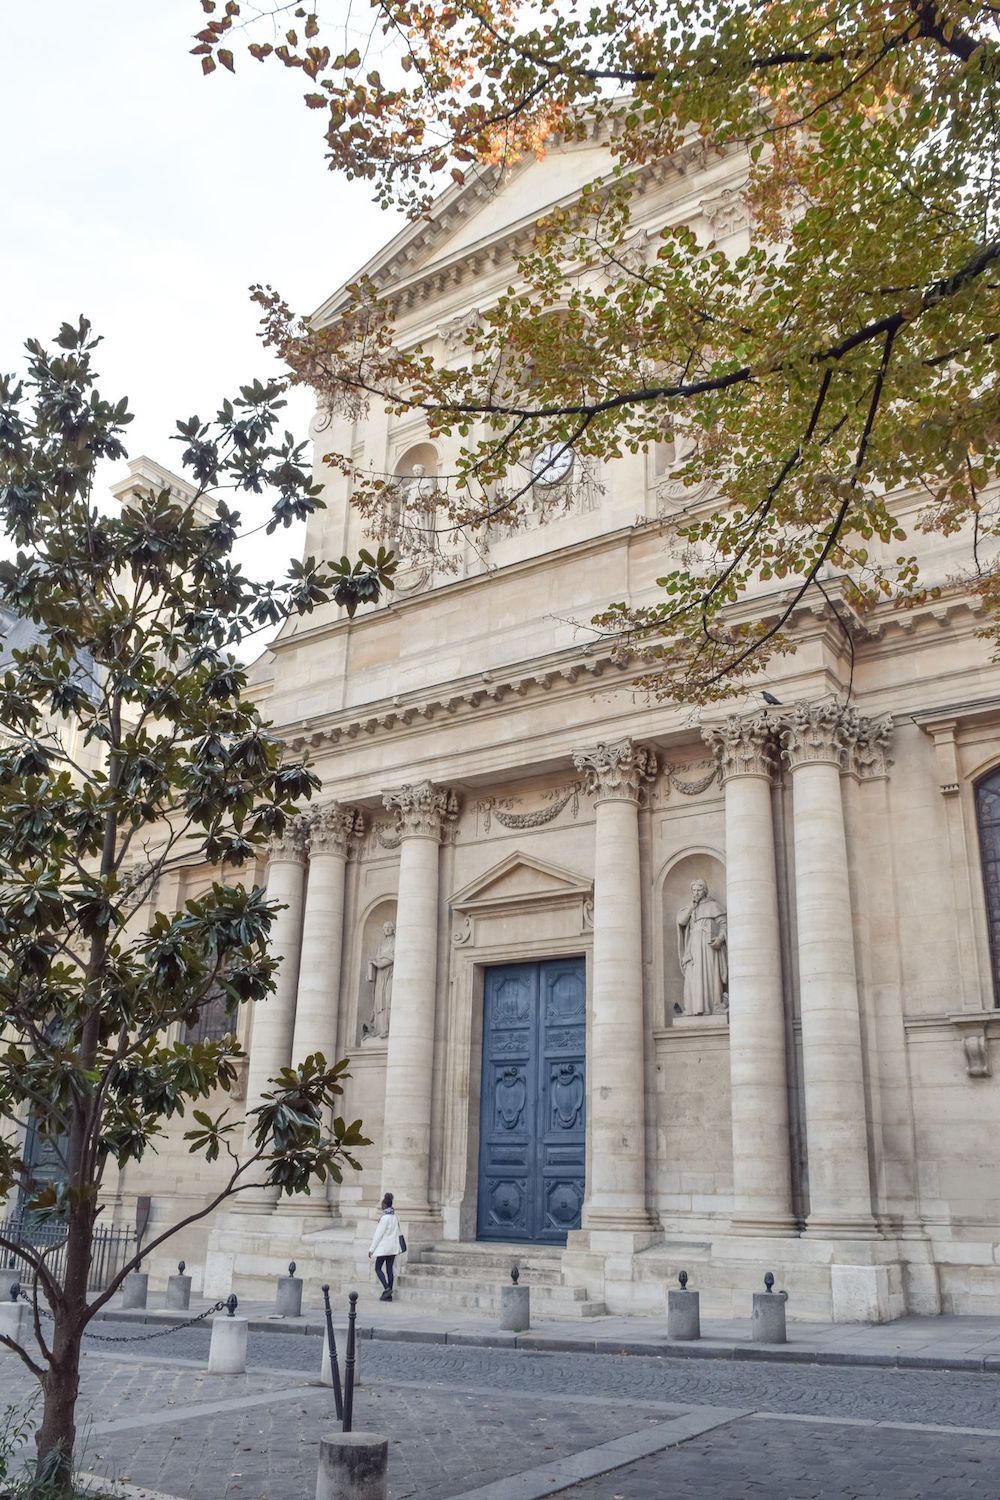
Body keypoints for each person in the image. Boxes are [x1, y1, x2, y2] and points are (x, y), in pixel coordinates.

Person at [369, 1191, 402, 1301]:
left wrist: (371, 1249)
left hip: (384, 1248)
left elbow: (378, 1235)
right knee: (389, 1270)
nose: (381, 1207)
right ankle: (389, 1296)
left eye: (382, 1205)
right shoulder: (395, 1216)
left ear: (385, 1205)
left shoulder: (384, 1218)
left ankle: (387, 1289)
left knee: (378, 1268)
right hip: (393, 1248)